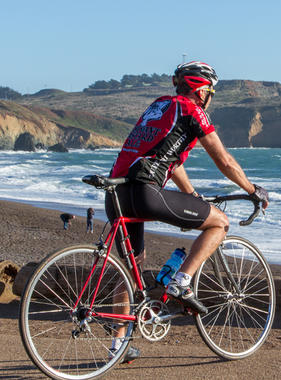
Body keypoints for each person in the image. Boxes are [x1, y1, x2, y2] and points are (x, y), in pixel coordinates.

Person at [104, 60, 269, 363]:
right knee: (219, 222)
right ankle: (182, 281)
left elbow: (171, 161)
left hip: (117, 192)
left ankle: (118, 346)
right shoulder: (192, 110)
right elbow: (225, 161)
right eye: (211, 90)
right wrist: (252, 190)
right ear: (200, 88)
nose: (211, 96)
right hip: (144, 192)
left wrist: (191, 195)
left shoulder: (161, 106)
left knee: (131, 272)